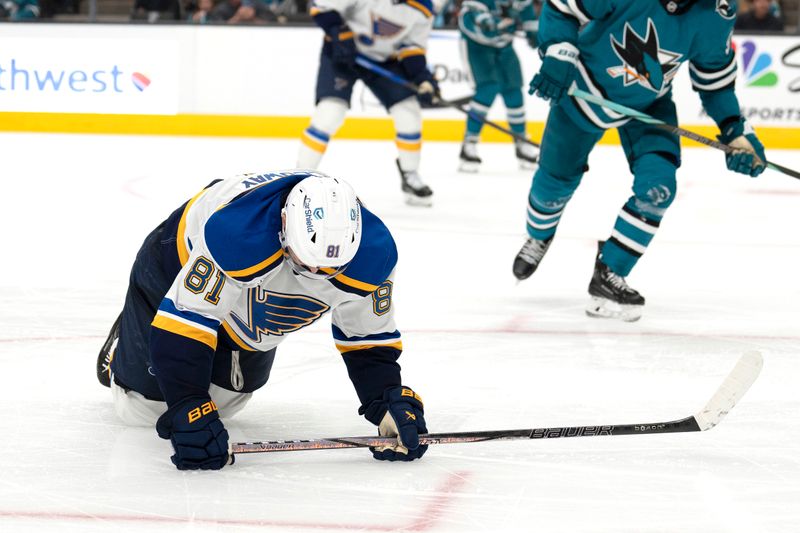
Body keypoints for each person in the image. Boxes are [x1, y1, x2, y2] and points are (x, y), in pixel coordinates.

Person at [96, 171, 427, 470]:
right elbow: (187, 321)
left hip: (251, 293)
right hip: (175, 269)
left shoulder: (375, 253)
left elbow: (366, 338)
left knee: (227, 405)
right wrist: (188, 406)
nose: (316, 275)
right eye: (307, 263)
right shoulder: (237, 233)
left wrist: (386, 398)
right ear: (284, 223)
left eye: (331, 270)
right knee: (145, 410)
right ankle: (125, 349)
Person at [512, 0, 766, 322]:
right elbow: (562, 9)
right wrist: (559, 51)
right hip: (583, 92)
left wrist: (735, 130)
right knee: (553, 185)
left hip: (648, 105)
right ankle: (539, 235)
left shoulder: (717, 13)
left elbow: (714, 80)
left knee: (658, 188)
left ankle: (609, 272)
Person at [296, 0, 439, 207]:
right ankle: (299, 179)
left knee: (408, 113)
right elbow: (320, 7)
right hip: (341, 54)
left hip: (384, 61)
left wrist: (423, 79)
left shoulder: (424, 8)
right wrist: (340, 33)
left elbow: (412, 48)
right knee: (329, 113)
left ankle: (410, 174)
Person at [457, 0, 540, 172]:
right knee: (487, 89)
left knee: (514, 91)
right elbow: (470, 19)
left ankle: (521, 141)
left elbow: (526, 9)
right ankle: (469, 144)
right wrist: (493, 24)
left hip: (504, 45)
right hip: (477, 45)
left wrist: (533, 31)